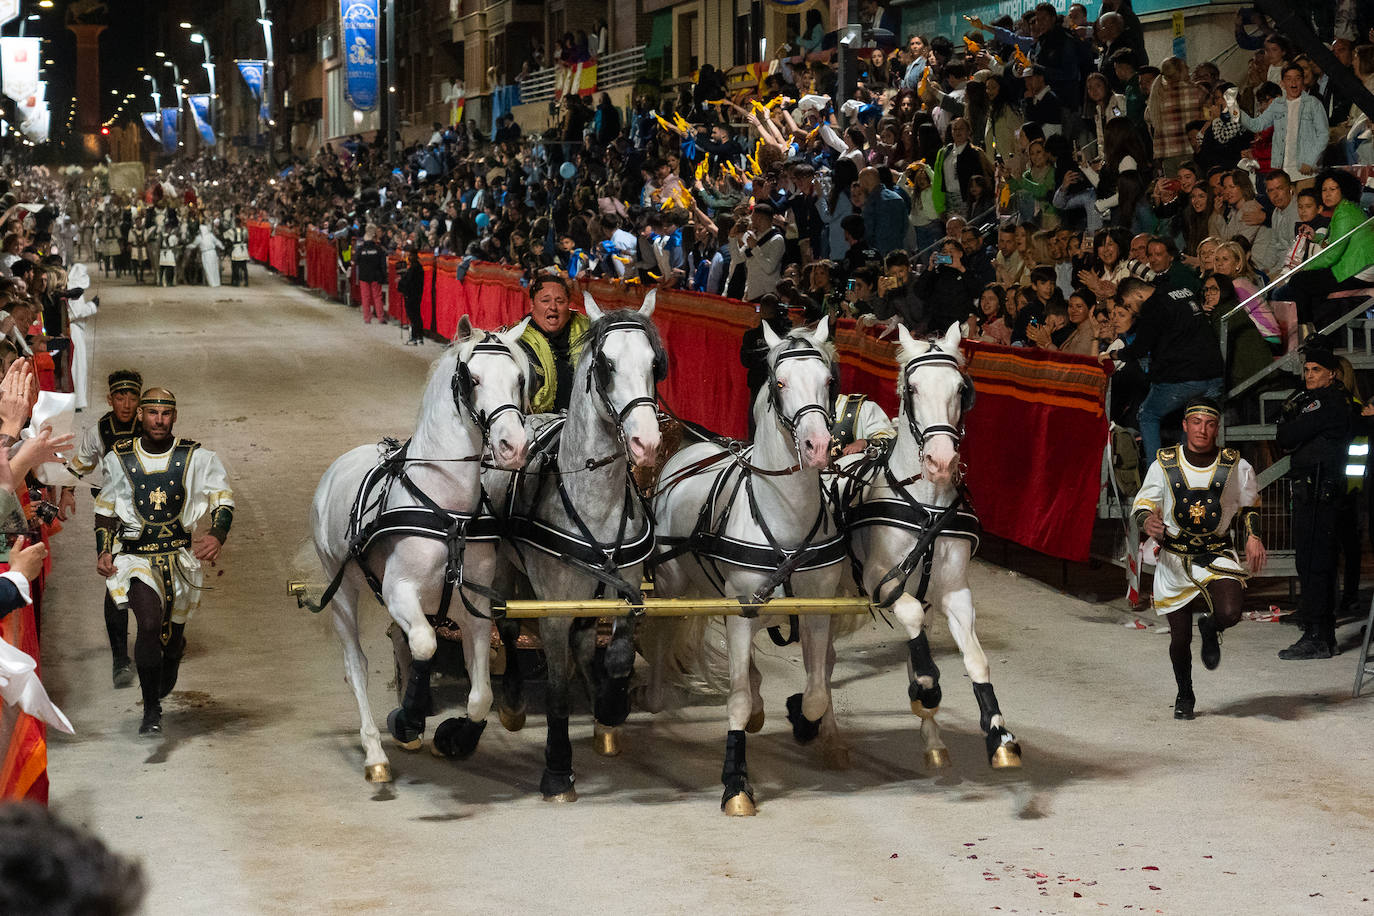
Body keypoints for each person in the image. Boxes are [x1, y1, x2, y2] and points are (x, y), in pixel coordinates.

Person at [94, 387, 235, 735]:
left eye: (166, 413)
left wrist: (217, 534)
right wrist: (104, 550)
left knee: (171, 642)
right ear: (141, 414)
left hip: (180, 559)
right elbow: (106, 511)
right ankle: (151, 710)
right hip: (135, 558)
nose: (159, 420)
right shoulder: (118, 458)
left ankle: (172, 655)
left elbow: (223, 500)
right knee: (149, 624)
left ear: (174, 416)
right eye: (152, 412)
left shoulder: (197, 458)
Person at [1132, 398, 1264, 720]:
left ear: (1216, 428)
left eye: (1209, 424)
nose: (1202, 430)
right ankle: (1185, 693)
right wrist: (1147, 521)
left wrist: (1253, 535)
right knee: (1179, 639)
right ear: (1185, 425)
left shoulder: (1235, 465)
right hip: (1174, 559)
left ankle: (1211, 625)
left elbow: (1249, 505)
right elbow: (1142, 505)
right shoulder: (1163, 463)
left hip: (1216, 552)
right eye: (1196, 422)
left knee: (1231, 611)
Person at [63, 369, 143, 686]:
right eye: (120, 397)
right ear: (110, 399)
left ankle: (166, 638)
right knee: (115, 581)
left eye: (132, 397)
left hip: (150, 514)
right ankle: (120, 659)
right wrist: (67, 491)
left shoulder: (151, 424)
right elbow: (81, 463)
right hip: (112, 517)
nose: (126, 404)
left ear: (140, 399)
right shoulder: (99, 431)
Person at [1274, 346, 1354, 660]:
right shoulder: (1311, 401)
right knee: (1307, 563)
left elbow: (1288, 434)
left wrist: (1295, 425)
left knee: (1317, 565)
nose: (1309, 376)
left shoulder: (1332, 402)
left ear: (1331, 373)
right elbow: (1285, 433)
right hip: (1309, 493)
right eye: (1306, 370)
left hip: (1323, 493)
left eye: (1316, 370)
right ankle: (1317, 629)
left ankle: (1318, 636)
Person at [1236, 63, 1329, 186]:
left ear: (1302, 81)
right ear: (1283, 83)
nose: (1293, 82)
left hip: (1305, 171)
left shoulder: (1313, 103)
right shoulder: (1277, 104)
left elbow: (1323, 134)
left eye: (1297, 78)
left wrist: (1310, 160)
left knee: (1305, 204)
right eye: (1289, 78)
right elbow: (1257, 125)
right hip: (1283, 170)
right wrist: (1234, 110)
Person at [519, 274, 590, 413]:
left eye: (560, 301)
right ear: (532, 304)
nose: (553, 307)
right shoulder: (517, 341)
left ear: (569, 304)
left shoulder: (589, 330)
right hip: (538, 427)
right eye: (545, 301)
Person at [353, 225, 388, 325]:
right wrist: (383, 276)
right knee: (377, 297)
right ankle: (380, 317)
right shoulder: (378, 249)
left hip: (364, 276)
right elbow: (383, 264)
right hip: (375, 276)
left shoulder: (360, 249)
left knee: (365, 297)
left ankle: (367, 318)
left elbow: (356, 260)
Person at [399, 247, 425, 346]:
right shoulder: (417, 267)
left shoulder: (414, 268)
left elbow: (408, 282)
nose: (408, 257)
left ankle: (414, 337)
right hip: (416, 295)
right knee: (416, 316)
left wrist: (401, 283)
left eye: (409, 255)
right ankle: (419, 337)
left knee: (413, 316)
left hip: (411, 295)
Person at [195, 222, 224, 288]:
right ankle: (214, 282)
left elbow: (194, 245)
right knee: (212, 267)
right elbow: (217, 242)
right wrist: (222, 247)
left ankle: (213, 283)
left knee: (209, 268)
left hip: (208, 253)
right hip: (209, 253)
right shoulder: (209, 235)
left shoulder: (202, 237)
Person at [225, 217, 250, 287]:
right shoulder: (244, 230)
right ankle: (246, 281)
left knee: (235, 266)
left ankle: (236, 281)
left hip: (236, 249)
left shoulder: (231, 231)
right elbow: (247, 238)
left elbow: (224, 236)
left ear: (235, 223)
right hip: (243, 249)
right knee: (244, 267)